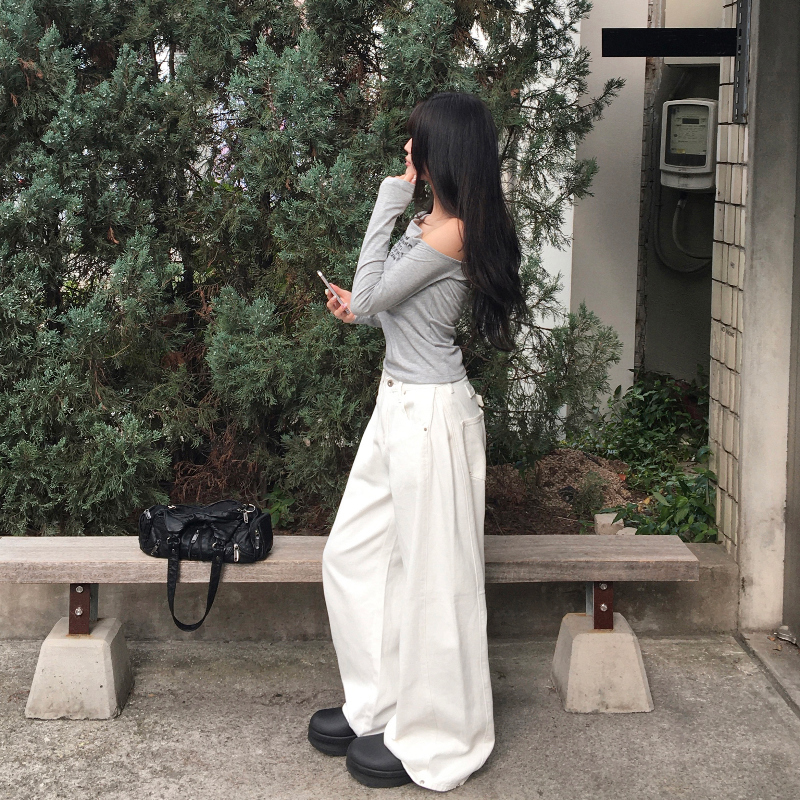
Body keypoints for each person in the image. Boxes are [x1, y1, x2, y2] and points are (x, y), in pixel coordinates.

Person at [307, 91, 525, 792]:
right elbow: (387, 309)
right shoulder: (435, 223)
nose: (407, 149)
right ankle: (378, 705)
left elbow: (377, 292)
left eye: (417, 140)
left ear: (443, 153)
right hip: (397, 405)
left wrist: (388, 199)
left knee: (434, 582)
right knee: (356, 556)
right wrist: (359, 311)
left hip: (431, 415)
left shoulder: (452, 231)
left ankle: (438, 736)